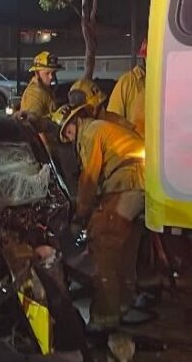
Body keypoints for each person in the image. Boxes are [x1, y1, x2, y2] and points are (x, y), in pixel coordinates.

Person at [54, 102, 147, 331]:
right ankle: (124, 302)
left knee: (103, 241)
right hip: (142, 182)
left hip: (128, 181)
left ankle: (105, 316)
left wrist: (79, 217)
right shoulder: (101, 128)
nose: (69, 136)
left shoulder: (89, 133)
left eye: (68, 130)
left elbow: (89, 179)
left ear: (75, 121)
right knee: (123, 245)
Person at [108, 40, 147, 137]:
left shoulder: (169, 82)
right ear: (144, 57)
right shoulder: (128, 82)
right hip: (136, 148)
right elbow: (112, 122)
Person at [18, 51, 62, 126]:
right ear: (37, 73)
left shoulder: (45, 89)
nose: (51, 77)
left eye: (53, 73)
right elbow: (34, 125)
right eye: (47, 73)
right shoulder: (34, 93)